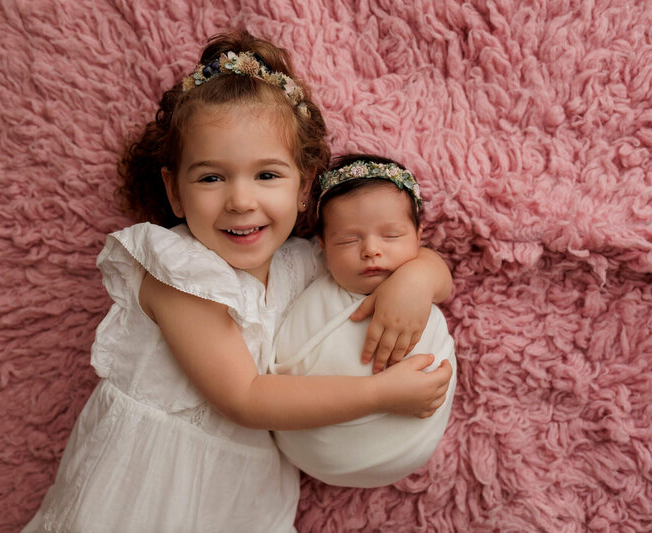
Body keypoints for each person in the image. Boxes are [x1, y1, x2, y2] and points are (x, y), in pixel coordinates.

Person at [23, 31, 453, 533]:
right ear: (174, 191)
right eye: (211, 178)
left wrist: (417, 279)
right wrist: (384, 394)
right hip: (151, 490)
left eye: (267, 175)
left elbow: (416, 266)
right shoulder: (179, 275)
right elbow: (245, 397)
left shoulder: (304, 261)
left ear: (304, 186)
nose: (241, 201)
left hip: (244, 491)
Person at [271, 154, 457, 488]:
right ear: (323, 247)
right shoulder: (308, 273)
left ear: (419, 236)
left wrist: (417, 279)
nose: (371, 249)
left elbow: (443, 280)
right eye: (348, 240)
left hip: (405, 443)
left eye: (391, 236)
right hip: (306, 434)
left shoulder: (419, 275)